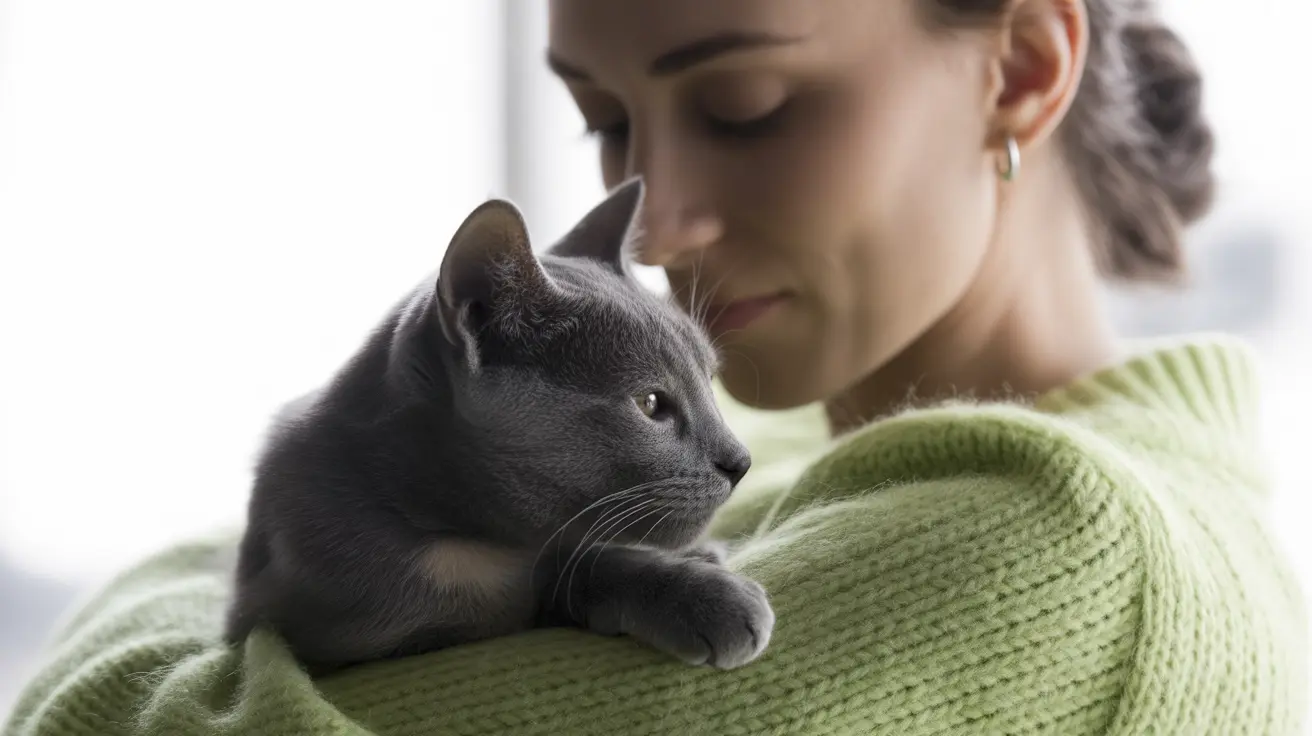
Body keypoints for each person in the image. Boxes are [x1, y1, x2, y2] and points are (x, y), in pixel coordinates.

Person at [3, 0, 1306, 734]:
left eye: (746, 108)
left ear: (1020, 68)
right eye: (605, 120)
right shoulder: (785, 442)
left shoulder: (1046, 553)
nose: (660, 223)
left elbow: (105, 715)